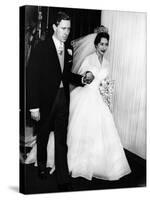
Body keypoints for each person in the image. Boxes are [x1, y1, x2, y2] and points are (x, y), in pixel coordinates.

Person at [26, 11, 94, 191]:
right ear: (55, 27)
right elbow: (32, 78)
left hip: (63, 101)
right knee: (42, 135)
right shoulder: (41, 47)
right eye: (63, 28)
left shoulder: (68, 49)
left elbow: (65, 75)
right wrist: (34, 106)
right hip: (45, 101)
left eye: (68, 29)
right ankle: (41, 166)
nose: (66, 32)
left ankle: (63, 177)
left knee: (62, 140)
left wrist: (82, 79)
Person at [67, 27, 132, 180]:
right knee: (83, 130)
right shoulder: (88, 59)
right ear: (96, 45)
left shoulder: (108, 63)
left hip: (99, 99)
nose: (104, 47)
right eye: (101, 44)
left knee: (103, 131)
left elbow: (105, 83)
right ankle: (79, 164)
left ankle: (99, 165)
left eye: (106, 44)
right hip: (86, 97)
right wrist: (86, 77)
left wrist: (107, 95)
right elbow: (81, 78)